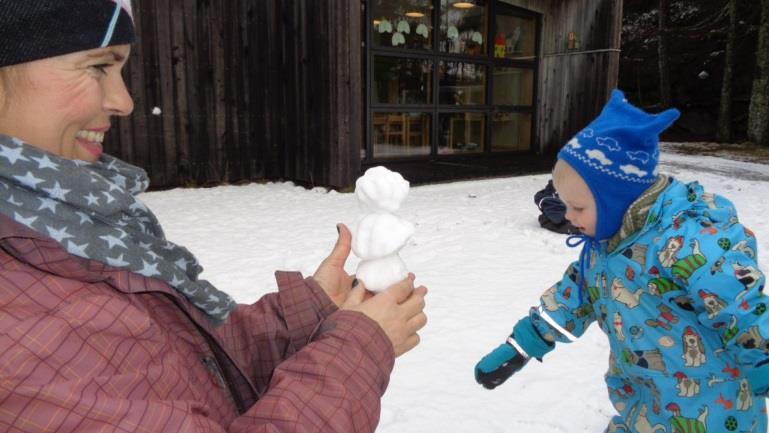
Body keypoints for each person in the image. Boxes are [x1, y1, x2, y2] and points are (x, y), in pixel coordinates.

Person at [0, 2, 427, 432]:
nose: (124, 101)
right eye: (96, 67)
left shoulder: (76, 225)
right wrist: (356, 351)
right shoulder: (15, 319)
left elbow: (189, 363)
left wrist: (313, 310)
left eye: (120, 71)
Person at [474, 89, 769, 431]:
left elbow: (740, 304)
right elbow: (572, 298)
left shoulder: (690, 240)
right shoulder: (602, 248)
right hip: (641, 406)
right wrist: (522, 345)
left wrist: (762, 359)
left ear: (617, 198)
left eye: (579, 207)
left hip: (714, 411)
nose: (568, 216)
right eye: (566, 205)